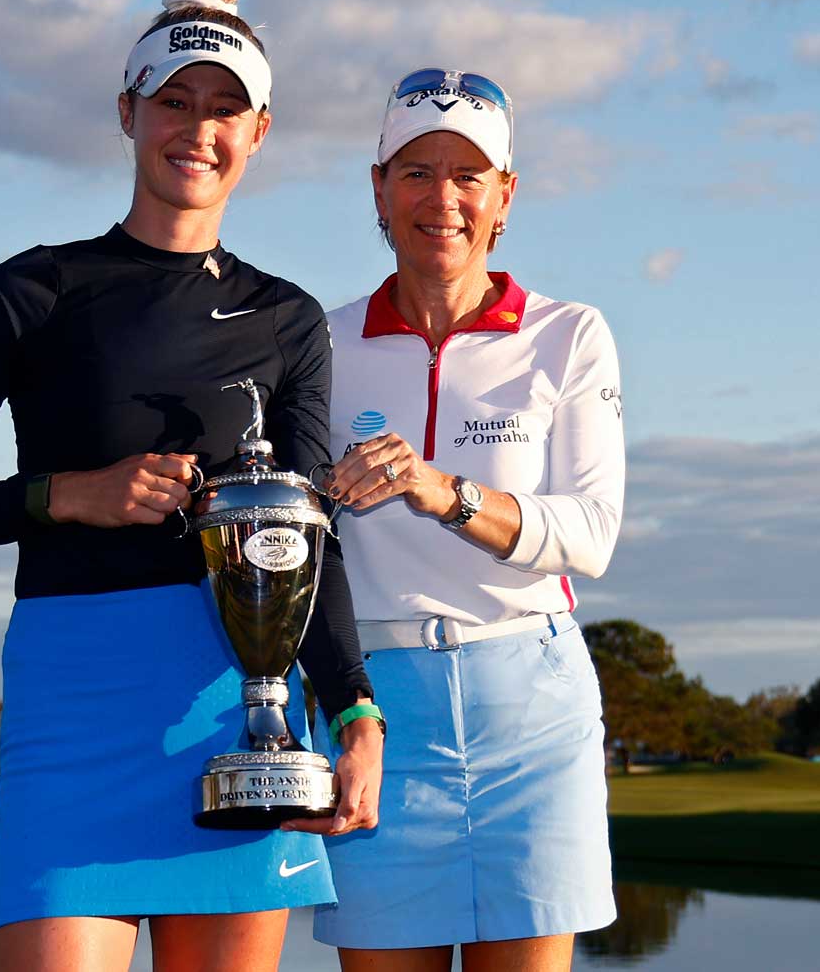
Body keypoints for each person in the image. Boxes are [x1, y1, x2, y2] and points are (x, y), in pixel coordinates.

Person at [0, 0, 384, 972]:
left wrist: (356, 708)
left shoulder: (284, 320)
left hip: (237, 711)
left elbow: (306, 543)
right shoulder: (33, 290)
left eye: (224, 111)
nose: (198, 130)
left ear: (258, 134)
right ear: (127, 112)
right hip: (74, 705)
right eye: (173, 103)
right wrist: (65, 496)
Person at [289, 67, 625, 971]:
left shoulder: (568, 333)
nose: (444, 198)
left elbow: (590, 533)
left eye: (470, 175)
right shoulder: (317, 342)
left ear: (505, 196)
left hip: (532, 707)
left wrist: (446, 492)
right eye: (416, 170)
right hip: (377, 707)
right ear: (378, 189)